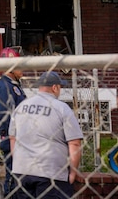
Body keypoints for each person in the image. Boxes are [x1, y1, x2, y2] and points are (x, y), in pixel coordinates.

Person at [9, 71, 83, 199]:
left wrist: (19, 162)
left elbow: (13, 139)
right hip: (52, 172)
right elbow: (74, 143)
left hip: (22, 171)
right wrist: (73, 172)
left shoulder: (21, 107)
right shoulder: (62, 108)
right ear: (55, 87)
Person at [0, 47, 26, 196]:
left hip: (19, 139)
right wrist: (12, 140)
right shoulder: (5, 87)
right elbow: (6, 117)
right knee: (12, 179)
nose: (23, 69)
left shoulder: (14, 86)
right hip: (12, 140)